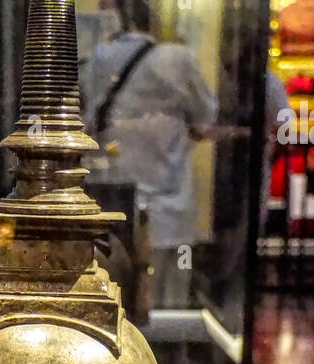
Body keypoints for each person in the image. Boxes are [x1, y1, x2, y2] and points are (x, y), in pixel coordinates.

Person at [81, 0, 216, 307]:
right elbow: (206, 122)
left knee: (113, 302)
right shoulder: (178, 59)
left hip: (112, 211)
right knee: (168, 304)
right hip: (169, 212)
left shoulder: (98, 59)